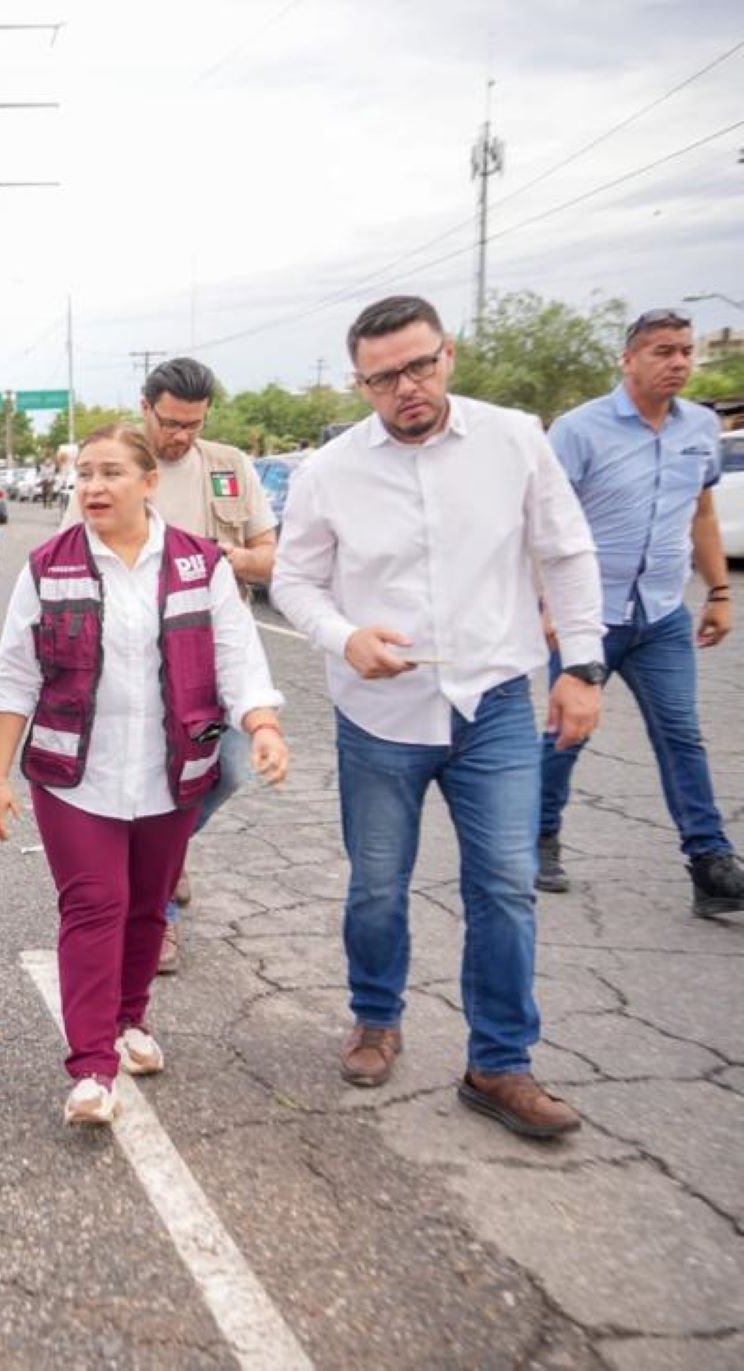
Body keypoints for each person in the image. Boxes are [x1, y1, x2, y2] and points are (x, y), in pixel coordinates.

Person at [272, 294, 605, 1140]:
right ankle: (376, 1017)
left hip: (493, 701)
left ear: (447, 355)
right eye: (384, 377)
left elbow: (565, 551)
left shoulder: (513, 438)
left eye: (420, 365)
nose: (407, 387)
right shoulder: (330, 471)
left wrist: (584, 667)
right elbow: (294, 582)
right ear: (360, 383)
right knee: (378, 886)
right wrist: (346, 638)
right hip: (380, 713)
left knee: (504, 884)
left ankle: (500, 1061)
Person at [0, 423, 288, 1126]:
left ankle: (129, 1019)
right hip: (73, 774)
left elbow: (236, 656)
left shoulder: (199, 563)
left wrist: (262, 724)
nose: (93, 486)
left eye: (112, 472)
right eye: (85, 473)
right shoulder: (47, 566)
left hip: (171, 769)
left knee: (149, 905)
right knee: (94, 904)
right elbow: (15, 677)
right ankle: (91, 1065)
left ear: (150, 482)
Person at [62, 358, 280, 974]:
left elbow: (270, 560)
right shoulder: (115, 466)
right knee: (156, 782)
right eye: (170, 422)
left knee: (231, 768)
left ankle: (167, 852)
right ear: (145, 407)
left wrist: (220, 558)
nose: (181, 436)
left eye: (193, 423)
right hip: (134, 662)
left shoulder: (229, 468)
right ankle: (157, 915)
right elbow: (68, 559)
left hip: (214, 655)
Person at [535, 307, 744, 917]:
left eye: (685, 351)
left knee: (681, 734)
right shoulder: (579, 430)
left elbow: (701, 513)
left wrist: (719, 592)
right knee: (567, 734)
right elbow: (544, 524)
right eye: (662, 351)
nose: (678, 362)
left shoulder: (701, 428)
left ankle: (710, 862)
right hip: (586, 618)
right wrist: (548, 606)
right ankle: (540, 837)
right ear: (629, 359)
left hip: (661, 615)